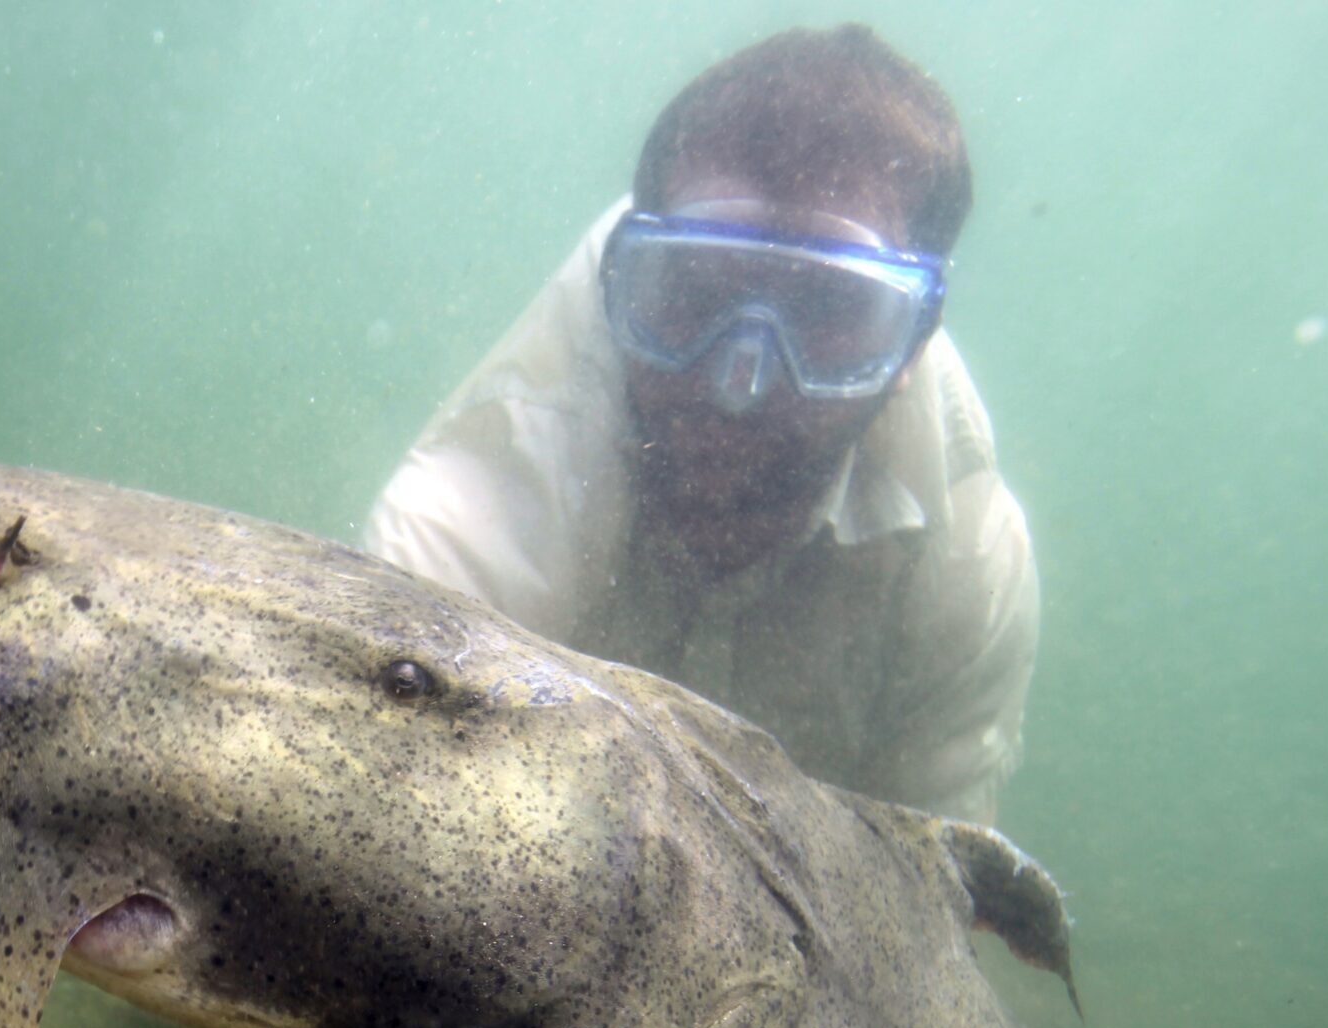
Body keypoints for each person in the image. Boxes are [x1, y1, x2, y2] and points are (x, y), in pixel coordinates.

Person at [366, 25, 1038, 825]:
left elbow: (937, 893)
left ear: (910, 343)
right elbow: (381, 810)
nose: (741, 383)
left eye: (824, 308)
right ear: (625, 286)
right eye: (692, 289)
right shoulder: (490, 482)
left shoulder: (964, 555)